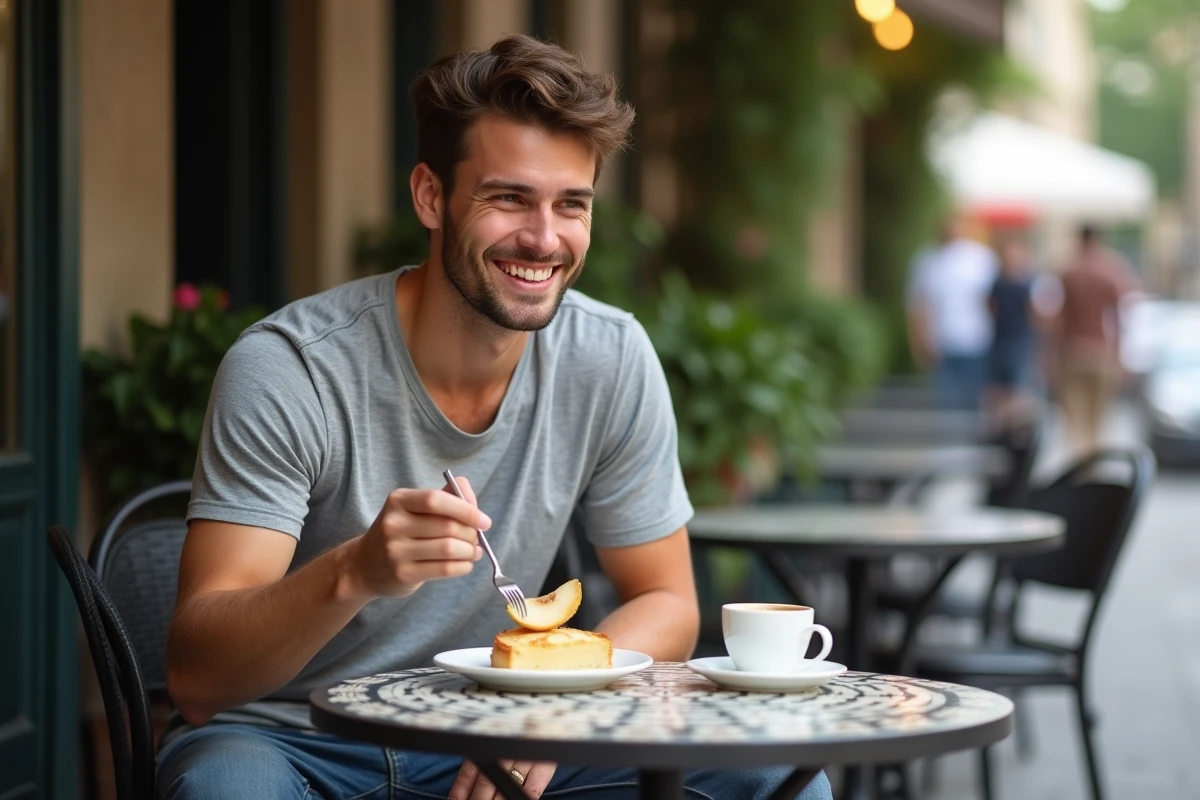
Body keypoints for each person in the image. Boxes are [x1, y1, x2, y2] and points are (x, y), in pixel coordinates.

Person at [157, 35, 831, 800]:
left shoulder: (607, 357)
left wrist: (550, 712)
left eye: (570, 204)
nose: (544, 239)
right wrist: (355, 571)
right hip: (297, 740)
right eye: (509, 197)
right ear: (430, 196)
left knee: (781, 781)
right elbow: (199, 680)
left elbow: (668, 601)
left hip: (501, 728)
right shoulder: (292, 368)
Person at [1050, 224, 1138, 456]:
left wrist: (1050, 355)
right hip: (1101, 351)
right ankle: (1093, 468)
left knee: (1075, 422)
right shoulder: (1111, 271)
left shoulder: (1069, 271)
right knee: (1098, 422)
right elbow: (1121, 316)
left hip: (1073, 350)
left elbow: (1059, 318)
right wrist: (1119, 355)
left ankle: (1080, 470)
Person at [906, 216, 999, 410]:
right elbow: (919, 304)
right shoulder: (927, 260)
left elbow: (994, 302)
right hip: (941, 342)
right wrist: (921, 341)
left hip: (977, 341)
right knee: (945, 405)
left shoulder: (982, 258)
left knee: (973, 403)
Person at [984, 234, 1041, 427]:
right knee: (998, 391)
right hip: (1001, 341)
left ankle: (1013, 431)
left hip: (1019, 343)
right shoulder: (998, 282)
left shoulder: (1028, 283)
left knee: (1018, 391)